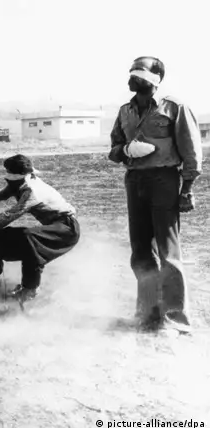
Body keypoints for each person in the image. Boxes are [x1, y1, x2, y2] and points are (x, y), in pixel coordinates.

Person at [108, 56, 203, 334]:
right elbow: (114, 148)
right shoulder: (125, 111)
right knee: (140, 250)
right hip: (135, 180)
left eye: (138, 73)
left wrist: (187, 189)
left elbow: (191, 152)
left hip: (164, 180)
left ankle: (174, 319)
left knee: (167, 251)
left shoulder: (174, 107)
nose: (131, 77)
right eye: (131, 72)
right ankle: (148, 314)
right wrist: (125, 151)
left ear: (155, 78)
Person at [0, 155, 80, 303]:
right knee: (2, 237)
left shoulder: (31, 191)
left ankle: (29, 290)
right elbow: (1, 194)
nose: (9, 181)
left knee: (29, 238)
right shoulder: (21, 182)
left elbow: (8, 216)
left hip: (66, 230)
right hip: (55, 227)